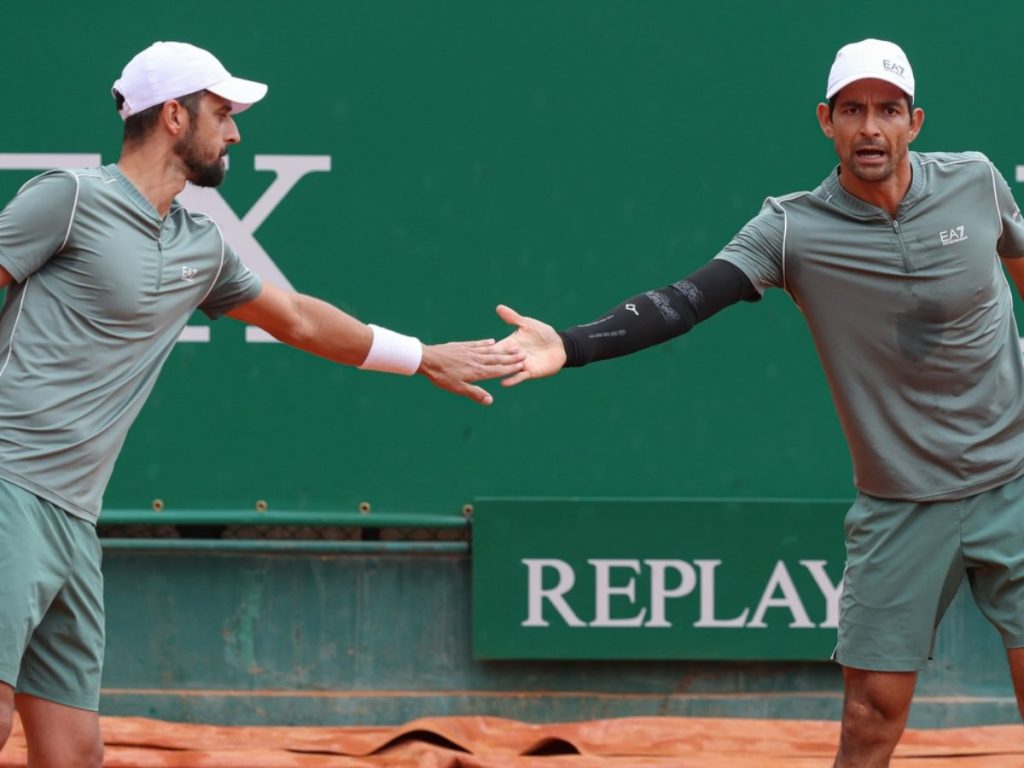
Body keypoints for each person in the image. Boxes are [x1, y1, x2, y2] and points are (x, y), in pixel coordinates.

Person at [495, 38, 1024, 767]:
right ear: (826, 121)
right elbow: (684, 300)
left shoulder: (977, 182)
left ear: (915, 121)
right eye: (852, 110)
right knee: (872, 714)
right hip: (902, 502)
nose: (871, 127)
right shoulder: (790, 228)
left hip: (1015, 480)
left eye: (888, 109)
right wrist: (571, 343)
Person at [0, 41, 524, 766]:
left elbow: (299, 319)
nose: (236, 132)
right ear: (174, 116)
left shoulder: (202, 247)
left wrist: (423, 356)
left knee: (74, 755)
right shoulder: (69, 200)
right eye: (222, 113)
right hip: (9, 486)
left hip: (73, 518)